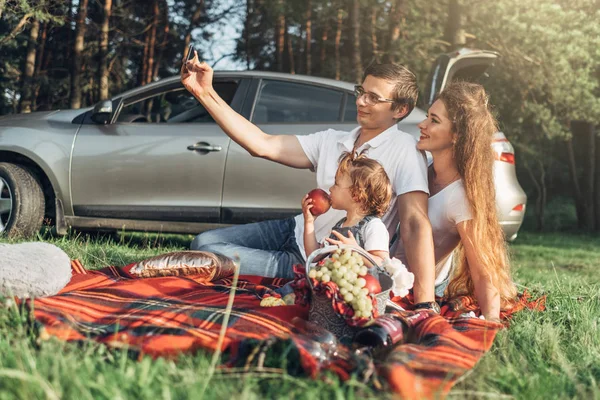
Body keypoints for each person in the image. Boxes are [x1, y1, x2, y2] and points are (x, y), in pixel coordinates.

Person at [181, 53, 437, 306]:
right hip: (295, 229)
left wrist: (425, 302)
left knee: (209, 255)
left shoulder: (405, 149)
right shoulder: (332, 140)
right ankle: (274, 272)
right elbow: (262, 144)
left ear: (400, 109)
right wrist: (205, 92)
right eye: (361, 91)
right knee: (203, 243)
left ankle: (298, 278)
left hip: (316, 260)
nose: (360, 101)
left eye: (373, 98)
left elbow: (415, 223)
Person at [392, 81, 517, 320]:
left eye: (434, 121)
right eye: (427, 117)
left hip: (417, 292)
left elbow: (482, 270)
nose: (422, 124)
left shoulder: (460, 197)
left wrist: (491, 321)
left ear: (458, 135)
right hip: (388, 272)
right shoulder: (423, 168)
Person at [303, 152, 392, 265]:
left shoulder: (373, 226)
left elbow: (383, 263)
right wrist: (309, 222)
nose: (330, 189)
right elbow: (314, 256)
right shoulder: (339, 226)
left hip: (361, 282)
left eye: (336, 184)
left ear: (356, 195)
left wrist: (356, 250)